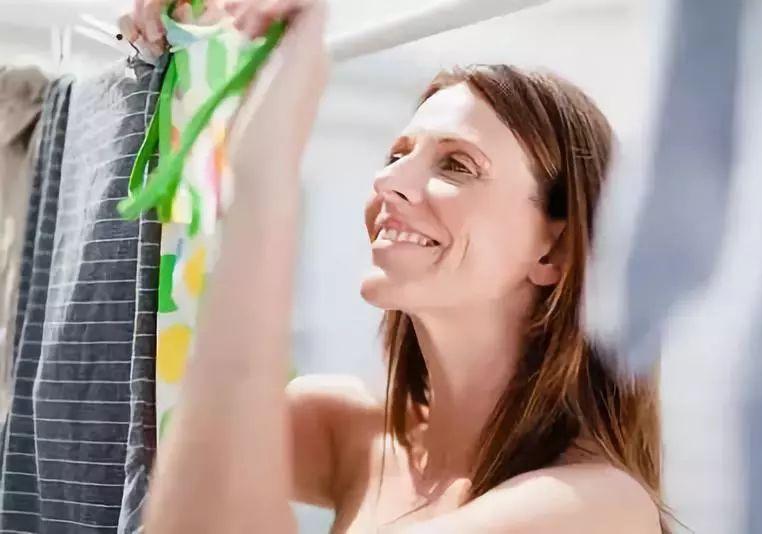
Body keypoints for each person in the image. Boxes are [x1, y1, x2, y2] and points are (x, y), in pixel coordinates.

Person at [121, 1, 666, 532]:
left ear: (554, 252)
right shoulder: (346, 429)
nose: (387, 180)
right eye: (397, 156)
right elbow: (132, 418)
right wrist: (188, 44)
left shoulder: (597, 508)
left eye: (456, 165)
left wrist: (264, 174)